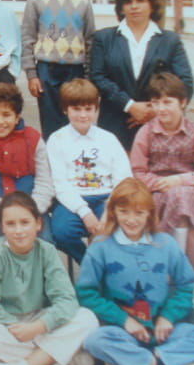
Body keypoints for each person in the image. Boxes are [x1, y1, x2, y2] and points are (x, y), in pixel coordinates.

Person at [77, 178, 194, 365]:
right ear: (113, 212)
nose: (131, 220)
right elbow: (86, 294)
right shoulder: (100, 247)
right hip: (123, 331)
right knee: (95, 341)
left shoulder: (165, 244)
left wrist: (168, 317)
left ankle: (139, 362)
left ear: (149, 213)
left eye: (139, 213)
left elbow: (188, 286)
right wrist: (124, 320)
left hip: (163, 330)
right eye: (124, 212)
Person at [0, 191, 99, 365]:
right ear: (2, 227)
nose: (18, 230)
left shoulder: (46, 251)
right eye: (11, 224)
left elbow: (66, 299)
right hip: (6, 324)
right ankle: (63, 357)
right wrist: (16, 326)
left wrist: (39, 327)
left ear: (38, 224)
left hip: (39, 319)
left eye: (25, 222)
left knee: (87, 318)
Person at [89, 0, 193, 150]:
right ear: (121, 7)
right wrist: (130, 106)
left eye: (140, 0)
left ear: (151, 4)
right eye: (128, 2)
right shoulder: (104, 38)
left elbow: (185, 82)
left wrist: (154, 110)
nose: (134, 6)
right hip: (115, 124)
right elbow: (97, 77)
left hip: (160, 124)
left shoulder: (170, 41)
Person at [130, 72, 194, 270]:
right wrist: (161, 184)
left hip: (190, 193)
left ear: (183, 102)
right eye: (155, 103)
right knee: (178, 200)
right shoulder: (146, 133)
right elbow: (137, 172)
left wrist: (180, 180)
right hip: (155, 194)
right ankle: (177, 267)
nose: (161, 109)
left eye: (167, 102)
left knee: (181, 196)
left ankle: (180, 269)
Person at [47, 78, 131, 264]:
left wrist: (109, 209)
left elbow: (123, 178)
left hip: (105, 198)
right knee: (60, 232)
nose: (83, 115)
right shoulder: (57, 139)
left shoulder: (108, 139)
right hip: (73, 200)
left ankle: (106, 267)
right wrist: (85, 213)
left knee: (117, 228)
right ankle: (90, 265)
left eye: (88, 109)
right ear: (65, 109)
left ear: (96, 109)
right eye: (76, 109)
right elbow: (60, 183)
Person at [21, 0, 95, 140]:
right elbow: (27, 38)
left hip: (75, 69)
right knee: (50, 121)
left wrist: (88, 77)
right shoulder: (36, 1)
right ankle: (52, 156)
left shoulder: (83, 3)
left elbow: (90, 41)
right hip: (47, 70)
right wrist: (31, 74)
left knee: (76, 117)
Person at [0, 83, 53, 248]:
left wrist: (32, 210)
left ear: (17, 117)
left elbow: (45, 181)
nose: (0, 121)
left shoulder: (33, 139)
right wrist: (2, 210)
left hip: (31, 203)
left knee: (43, 240)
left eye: (6, 115)